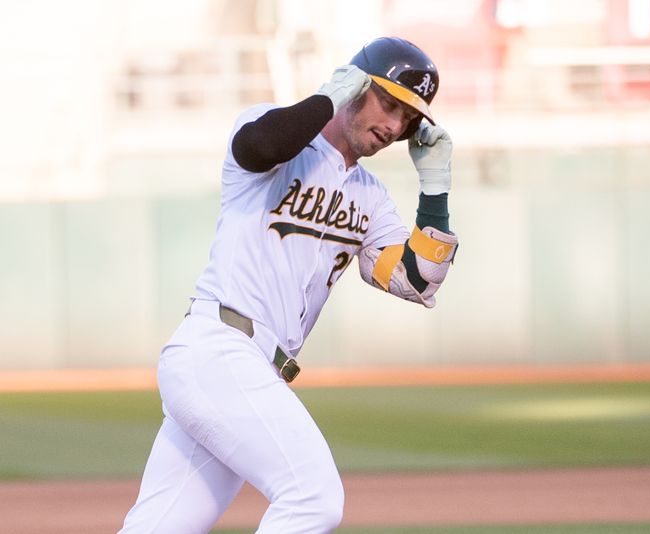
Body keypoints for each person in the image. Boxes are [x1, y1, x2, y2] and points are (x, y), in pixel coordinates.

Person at [118, 36, 458, 533]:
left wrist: (435, 190)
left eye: (408, 119)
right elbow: (258, 148)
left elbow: (417, 281)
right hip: (219, 348)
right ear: (355, 86)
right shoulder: (275, 133)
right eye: (389, 104)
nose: (394, 127)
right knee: (312, 498)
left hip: (248, 370)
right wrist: (327, 97)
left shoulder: (372, 197)